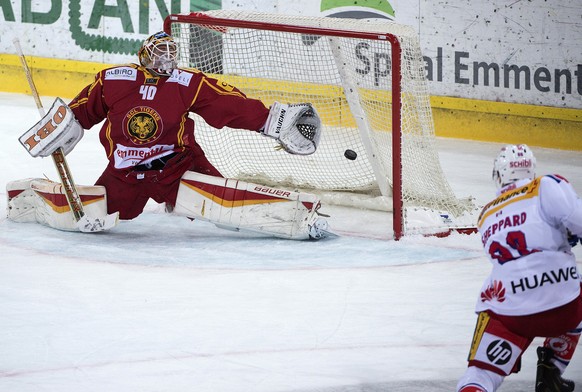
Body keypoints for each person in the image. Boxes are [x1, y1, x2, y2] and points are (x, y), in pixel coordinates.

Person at [9, 31, 327, 239]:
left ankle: (299, 216)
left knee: (226, 207)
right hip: (125, 173)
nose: (165, 60)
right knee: (88, 215)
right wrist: (58, 129)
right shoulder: (113, 80)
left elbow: (228, 106)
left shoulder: (188, 82)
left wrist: (274, 121)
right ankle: (28, 197)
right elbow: (82, 112)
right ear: (144, 55)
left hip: (177, 166)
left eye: (169, 54)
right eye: (158, 54)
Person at [457, 144, 582, 392]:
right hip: (564, 306)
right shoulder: (547, 184)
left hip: (510, 311)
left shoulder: (486, 213)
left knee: (481, 374)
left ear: (499, 174)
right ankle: (551, 371)